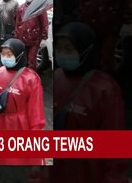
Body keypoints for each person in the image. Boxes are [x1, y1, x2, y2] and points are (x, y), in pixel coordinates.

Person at [52, 22, 128, 182]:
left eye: (68, 49)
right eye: (58, 48)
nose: (62, 54)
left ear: (86, 50)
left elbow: (115, 144)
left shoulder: (104, 89)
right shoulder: (56, 78)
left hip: (88, 173)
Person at [0, 38, 45, 165]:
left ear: (19, 55)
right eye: (3, 54)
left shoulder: (31, 79)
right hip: (2, 123)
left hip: (21, 126)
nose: (5, 57)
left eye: (9, 54)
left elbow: (36, 111)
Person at [15, 0, 49, 71]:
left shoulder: (40, 7)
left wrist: (44, 37)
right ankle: (24, 78)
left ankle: (31, 80)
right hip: (22, 39)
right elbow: (17, 23)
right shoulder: (20, 8)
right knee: (23, 61)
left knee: (32, 61)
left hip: (34, 39)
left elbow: (44, 22)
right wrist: (17, 36)